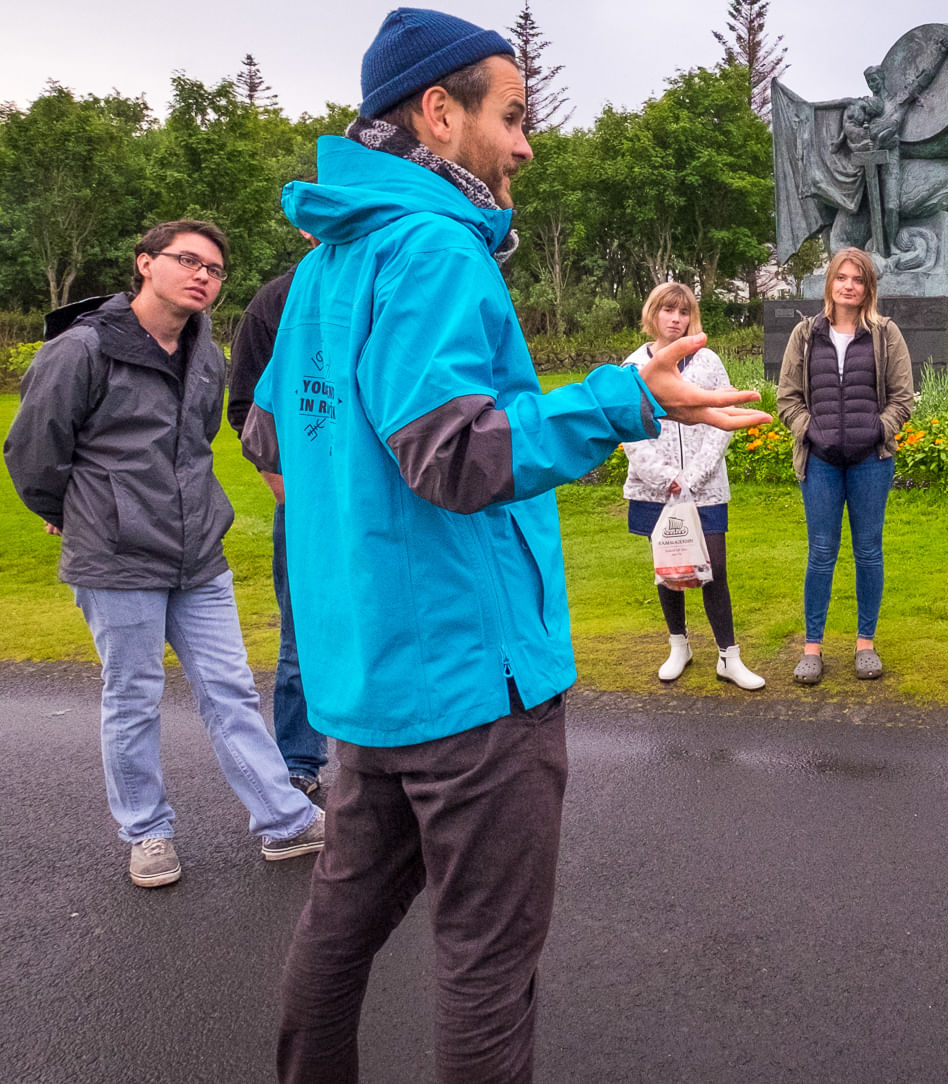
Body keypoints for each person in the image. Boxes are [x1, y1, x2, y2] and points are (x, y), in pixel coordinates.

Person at [238, 11, 768, 1081]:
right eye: (512, 115)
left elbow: (267, 434)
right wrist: (622, 394)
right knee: (486, 965)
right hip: (475, 685)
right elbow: (454, 455)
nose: (526, 143)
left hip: (372, 681)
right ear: (439, 114)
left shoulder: (327, 264)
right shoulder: (432, 245)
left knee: (336, 935)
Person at [5, 220, 326, 888]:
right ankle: (147, 832)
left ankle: (283, 820)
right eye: (187, 260)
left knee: (230, 689)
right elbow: (34, 448)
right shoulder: (84, 350)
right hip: (116, 556)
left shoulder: (206, 355)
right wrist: (65, 513)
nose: (202, 275)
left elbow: (196, 445)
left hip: (196, 553)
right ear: (145, 264)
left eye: (214, 268)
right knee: (133, 695)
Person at [775, 246, 915, 685]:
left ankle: (865, 643)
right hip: (820, 462)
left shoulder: (885, 334)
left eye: (857, 279)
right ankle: (812, 647)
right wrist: (809, 430)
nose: (849, 286)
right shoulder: (804, 334)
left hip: (870, 461)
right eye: (842, 278)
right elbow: (787, 397)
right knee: (820, 553)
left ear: (868, 286)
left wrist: (878, 428)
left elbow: (903, 399)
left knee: (868, 551)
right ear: (830, 284)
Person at [619, 282, 766, 690]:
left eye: (683, 312)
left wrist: (693, 477)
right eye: (668, 310)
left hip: (704, 488)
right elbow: (630, 432)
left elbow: (724, 417)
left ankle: (729, 657)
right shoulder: (632, 368)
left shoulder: (708, 361)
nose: (676, 319)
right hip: (655, 489)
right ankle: (678, 645)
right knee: (670, 569)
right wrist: (667, 479)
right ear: (653, 314)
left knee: (713, 569)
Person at [228, 239, 328, 800]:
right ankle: (301, 758)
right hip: (307, 500)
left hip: (386, 500)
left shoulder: (390, 280)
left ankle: (392, 756)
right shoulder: (277, 301)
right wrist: (286, 488)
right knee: (302, 634)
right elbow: (244, 406)